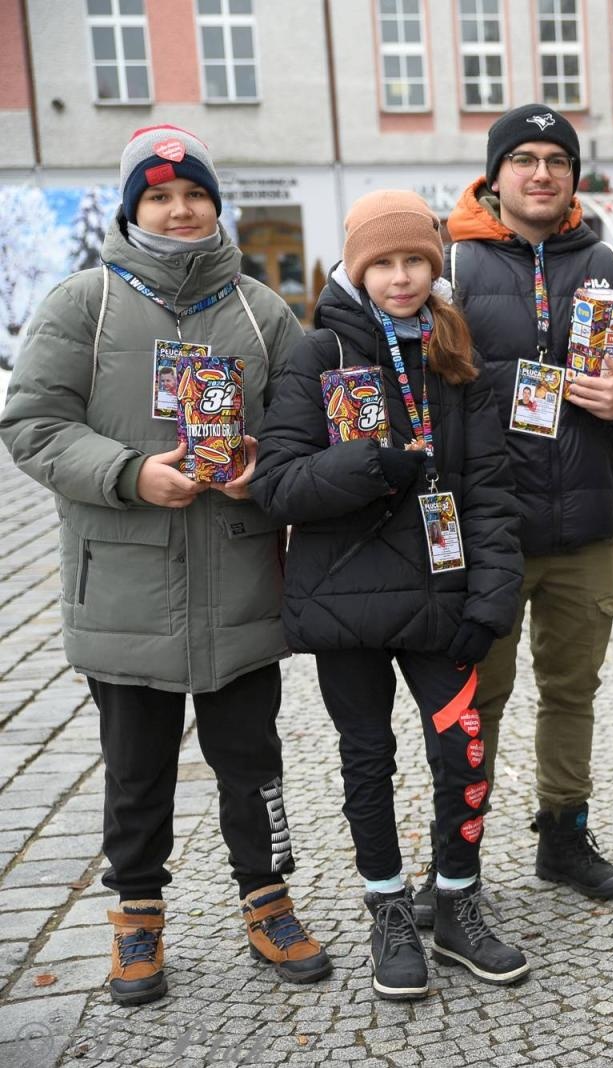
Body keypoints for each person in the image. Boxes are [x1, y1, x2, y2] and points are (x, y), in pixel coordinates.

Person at [0, 124, 329, 1005]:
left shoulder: (260, 312)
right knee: (135, 768)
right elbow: (31, 425)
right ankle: (136, 921)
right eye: (159, 196)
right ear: (132, 206)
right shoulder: (86, 304)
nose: (180, 210)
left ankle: (269, 902)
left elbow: (308, 428)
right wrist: (128, 472)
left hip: (241, 580)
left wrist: (270, 468)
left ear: (216, 204)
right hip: (125, 585)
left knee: (252, 761)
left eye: (194, 195)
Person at [251, 191, 527, 1000]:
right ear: (358, 266)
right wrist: (370, 463)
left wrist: (493, 598)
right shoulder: (319, 352)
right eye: (385, 263)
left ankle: (456, 900)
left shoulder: (453, 348)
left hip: (441, 598)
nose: (402, 278)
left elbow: (489, 489)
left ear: (434, 265)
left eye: (416, 261)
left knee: (463, 751)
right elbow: (277, 484)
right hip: (347, 604)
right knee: (367, 761)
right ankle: (386, 909)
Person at [430, 103, 613, 913]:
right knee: (478, 697)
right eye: (525, 159)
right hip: (484, 528)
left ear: (573, 175)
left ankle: (563, 834)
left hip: (583, 522)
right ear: (495, 175)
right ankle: (456, 854)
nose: (541, 174)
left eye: (556, 161)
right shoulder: (446, 266)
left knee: (572, 689)